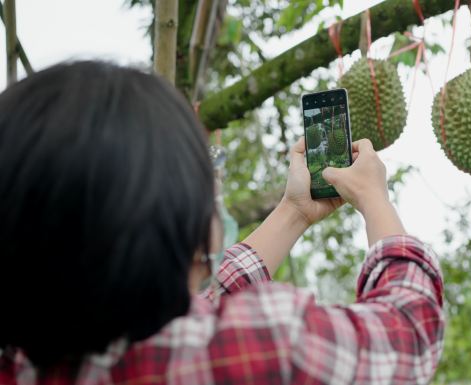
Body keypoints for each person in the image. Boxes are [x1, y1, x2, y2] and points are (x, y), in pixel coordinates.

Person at [0, 61, 444, 384]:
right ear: (182, 226)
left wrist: (294, 212)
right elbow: (408, 329)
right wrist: (373, 197)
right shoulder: (256, 345)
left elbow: (205, 294)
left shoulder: (19, 362)